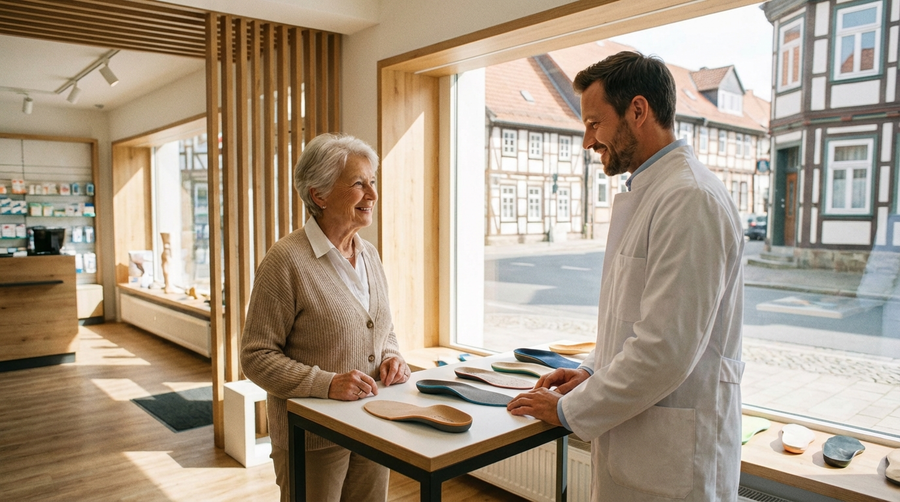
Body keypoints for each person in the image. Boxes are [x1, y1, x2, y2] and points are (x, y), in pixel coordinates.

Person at [507, 51, 745, 501]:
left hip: (676, 463)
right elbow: (634, 324)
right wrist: (591, 371)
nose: (586, 141)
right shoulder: (653, 192)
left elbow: (665, 350)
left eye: (594, 124)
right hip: (641, 446)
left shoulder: (690, 198)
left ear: (638, 111)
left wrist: (569, 410)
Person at [241, 133, 410, 502]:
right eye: (358, 184)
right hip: (313, 437)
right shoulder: (285, 261)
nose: (373, 195)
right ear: (319, 195)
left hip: (374, 423)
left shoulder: (370, 256)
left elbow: (384, 330)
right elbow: (256, 357)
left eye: (373, 182)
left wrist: (393, 357)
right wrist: (326, 384)